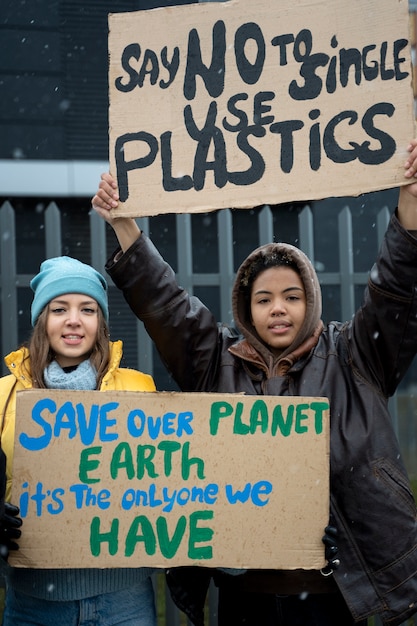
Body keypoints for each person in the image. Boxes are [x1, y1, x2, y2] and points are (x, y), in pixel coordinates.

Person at [91, 139, 417, 626]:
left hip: (333, 595)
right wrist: (124, 223)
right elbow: (166, 305)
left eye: (291, 296)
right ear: (247, 309)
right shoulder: (213, 361)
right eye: (264, 299)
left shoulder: (357, 355)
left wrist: (411, 202)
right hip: (243, 597)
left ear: (310, 302)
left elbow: (395, 287)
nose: (278, 309)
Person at [0, 256, 158, 626]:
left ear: (100, 321)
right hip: (33, 601)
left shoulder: (140, 389)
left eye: (87, 309)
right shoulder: (3, 398)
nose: (74, 320)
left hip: (125, 602)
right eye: (60, 309)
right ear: (42, 320)